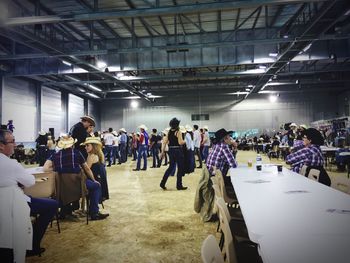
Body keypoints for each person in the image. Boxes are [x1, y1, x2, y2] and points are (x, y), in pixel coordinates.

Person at [0, 129, 58, 261]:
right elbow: (30, 181)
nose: (15, 145)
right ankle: (32, 245)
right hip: (12, 201)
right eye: (12, 141)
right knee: (52, 205)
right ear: (1, 145)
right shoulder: (11, 164)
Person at [44, 135, 109, 221]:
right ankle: (94, 212)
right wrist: (94, 180)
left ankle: (65, 211)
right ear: (72, 145)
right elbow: (87, 169)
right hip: (78, 186)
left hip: (62, 187)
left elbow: (45, 168)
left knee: (68, 189)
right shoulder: (77, 153)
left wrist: (56, 168)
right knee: (96, 186)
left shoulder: (55, 155)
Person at [159, 118, 187, 190]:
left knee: (170, 167)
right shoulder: (178, 132)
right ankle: (179, 185)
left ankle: (162, 183)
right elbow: (180, 142)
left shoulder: (169, 132)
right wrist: (185, 141)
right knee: (180, 168)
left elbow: (165, 142)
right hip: (178, 150)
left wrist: (162, 152)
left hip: (171, 150)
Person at [82, 137, 109, 201]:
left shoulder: (91, 156)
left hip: (95, 179)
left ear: (93, 146)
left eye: (87, 145)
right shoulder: (100, 154)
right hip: (100, 179)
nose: (85, 147)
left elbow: (87, 169)